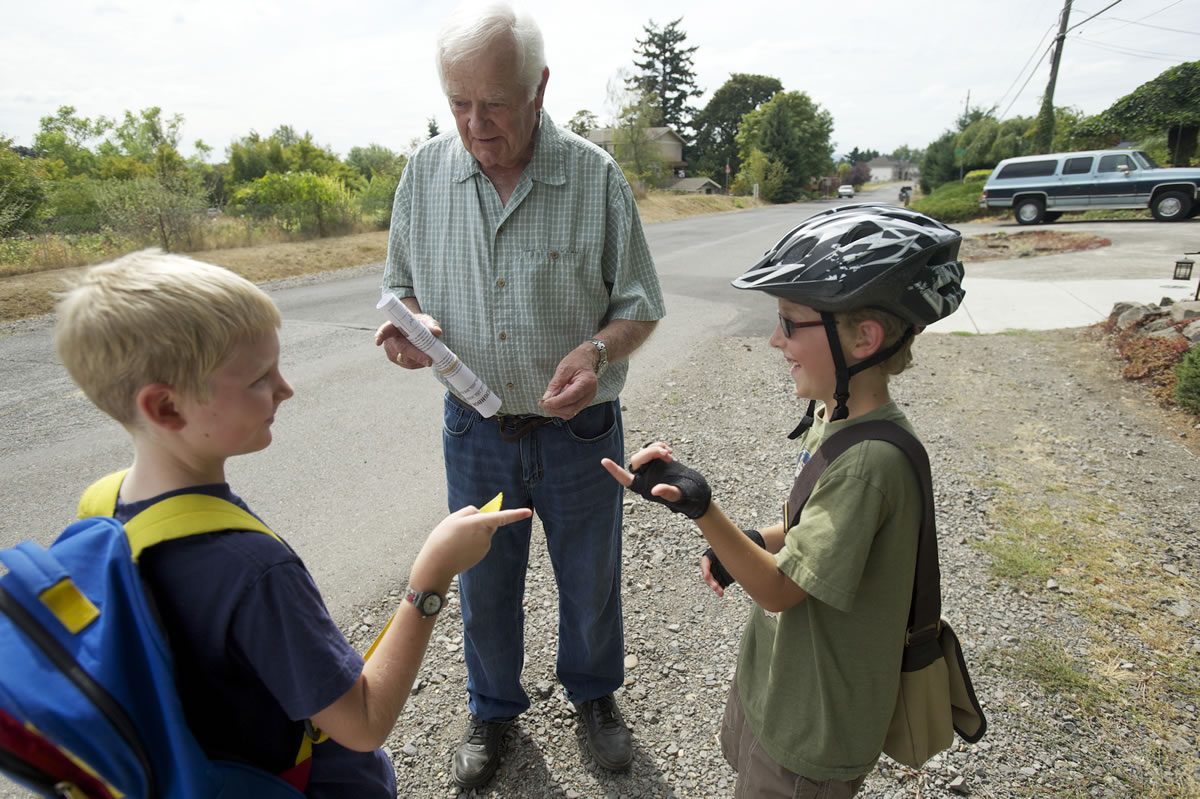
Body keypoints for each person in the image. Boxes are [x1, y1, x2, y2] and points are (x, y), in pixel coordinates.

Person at [53, 250, 531, 798]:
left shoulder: (103, 504)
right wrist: (433, 575)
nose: (286, 388)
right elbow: (364, 722)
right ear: (166, 408)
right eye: (260, 377)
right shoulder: (252, 571)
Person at [372, 1, 665, 789]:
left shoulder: (594, 176)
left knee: (589, 575)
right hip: (474, 428)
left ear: (539, 88)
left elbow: (640, 302)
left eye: (494, 103)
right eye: (458, 103)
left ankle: (596, 699)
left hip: (580, 430)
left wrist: (598, 349)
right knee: (483, 580)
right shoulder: (424, 174)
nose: (475, 124)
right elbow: (398, 289)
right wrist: (413, 329)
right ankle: (493, 710)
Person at [602, 205, 966, 798]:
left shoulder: (873, 463)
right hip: (784, 682)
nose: (774, 339)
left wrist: (704, 510)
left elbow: (777, 589)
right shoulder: (839, 416)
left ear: (864, 339)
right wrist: (749, 541)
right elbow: (807, 534)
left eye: (790, 324)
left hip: (816, 724)